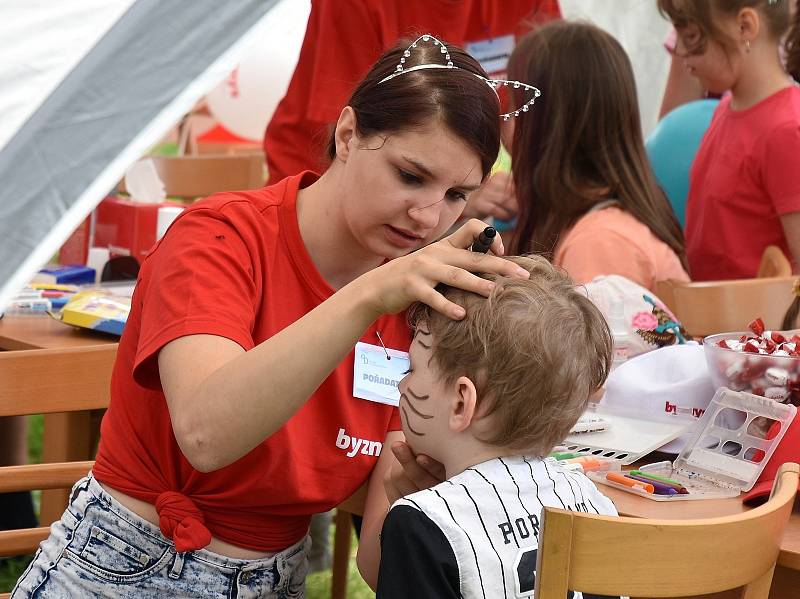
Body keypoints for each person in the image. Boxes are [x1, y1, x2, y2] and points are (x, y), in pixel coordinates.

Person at [12, 36, 532, 598]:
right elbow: (207, 435)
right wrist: (371, 294)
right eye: (410, 176)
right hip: (128, 566)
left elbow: (379, 568)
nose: (429, 215)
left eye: (458, 195)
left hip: (276, 577)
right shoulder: (221, 237)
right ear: (348, 133)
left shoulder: (415, 299)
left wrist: (421, 488)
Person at [375, 255, 619, 599]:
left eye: (410, 370)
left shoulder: (423, 524)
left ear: (462, 402)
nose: (402, 387)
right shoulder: (591, 498)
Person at [263, 0, 561, 222]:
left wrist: (533, 189)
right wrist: (450, 196)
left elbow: (535, 112)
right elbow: (349, 138)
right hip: (323, 188)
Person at [503, 21, 689, 292]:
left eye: (514, 106)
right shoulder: (593, 227)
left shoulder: (599, 243)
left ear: (550, 125)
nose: (503, 121)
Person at [658, 0, 800, 281]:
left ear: (744, 26)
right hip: (719, 318)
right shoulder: (725, 108)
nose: (681, 51)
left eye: (692, 37)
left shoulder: (786, 129)